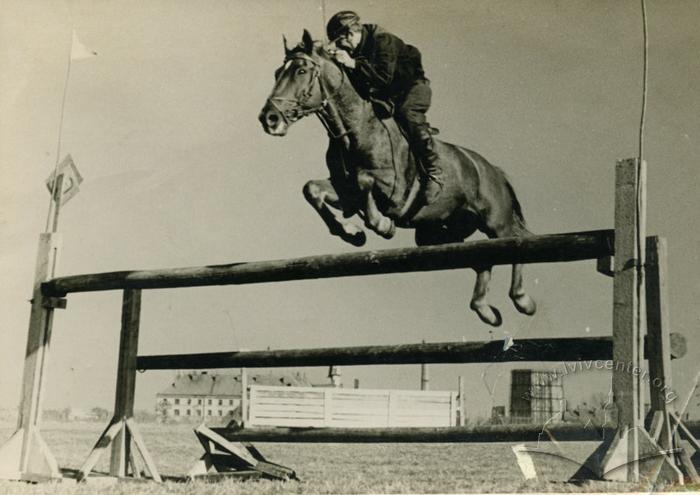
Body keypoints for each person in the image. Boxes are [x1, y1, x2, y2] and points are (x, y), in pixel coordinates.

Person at [326, 11, 443, 204]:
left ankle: (434, 172)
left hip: (412, 88)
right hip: (388, 95)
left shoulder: (383, 41)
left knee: (408, 114)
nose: (342, 47)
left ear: (349, 34)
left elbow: (382, 78)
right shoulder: (356, 47)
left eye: (341, 42)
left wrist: (352, 63)